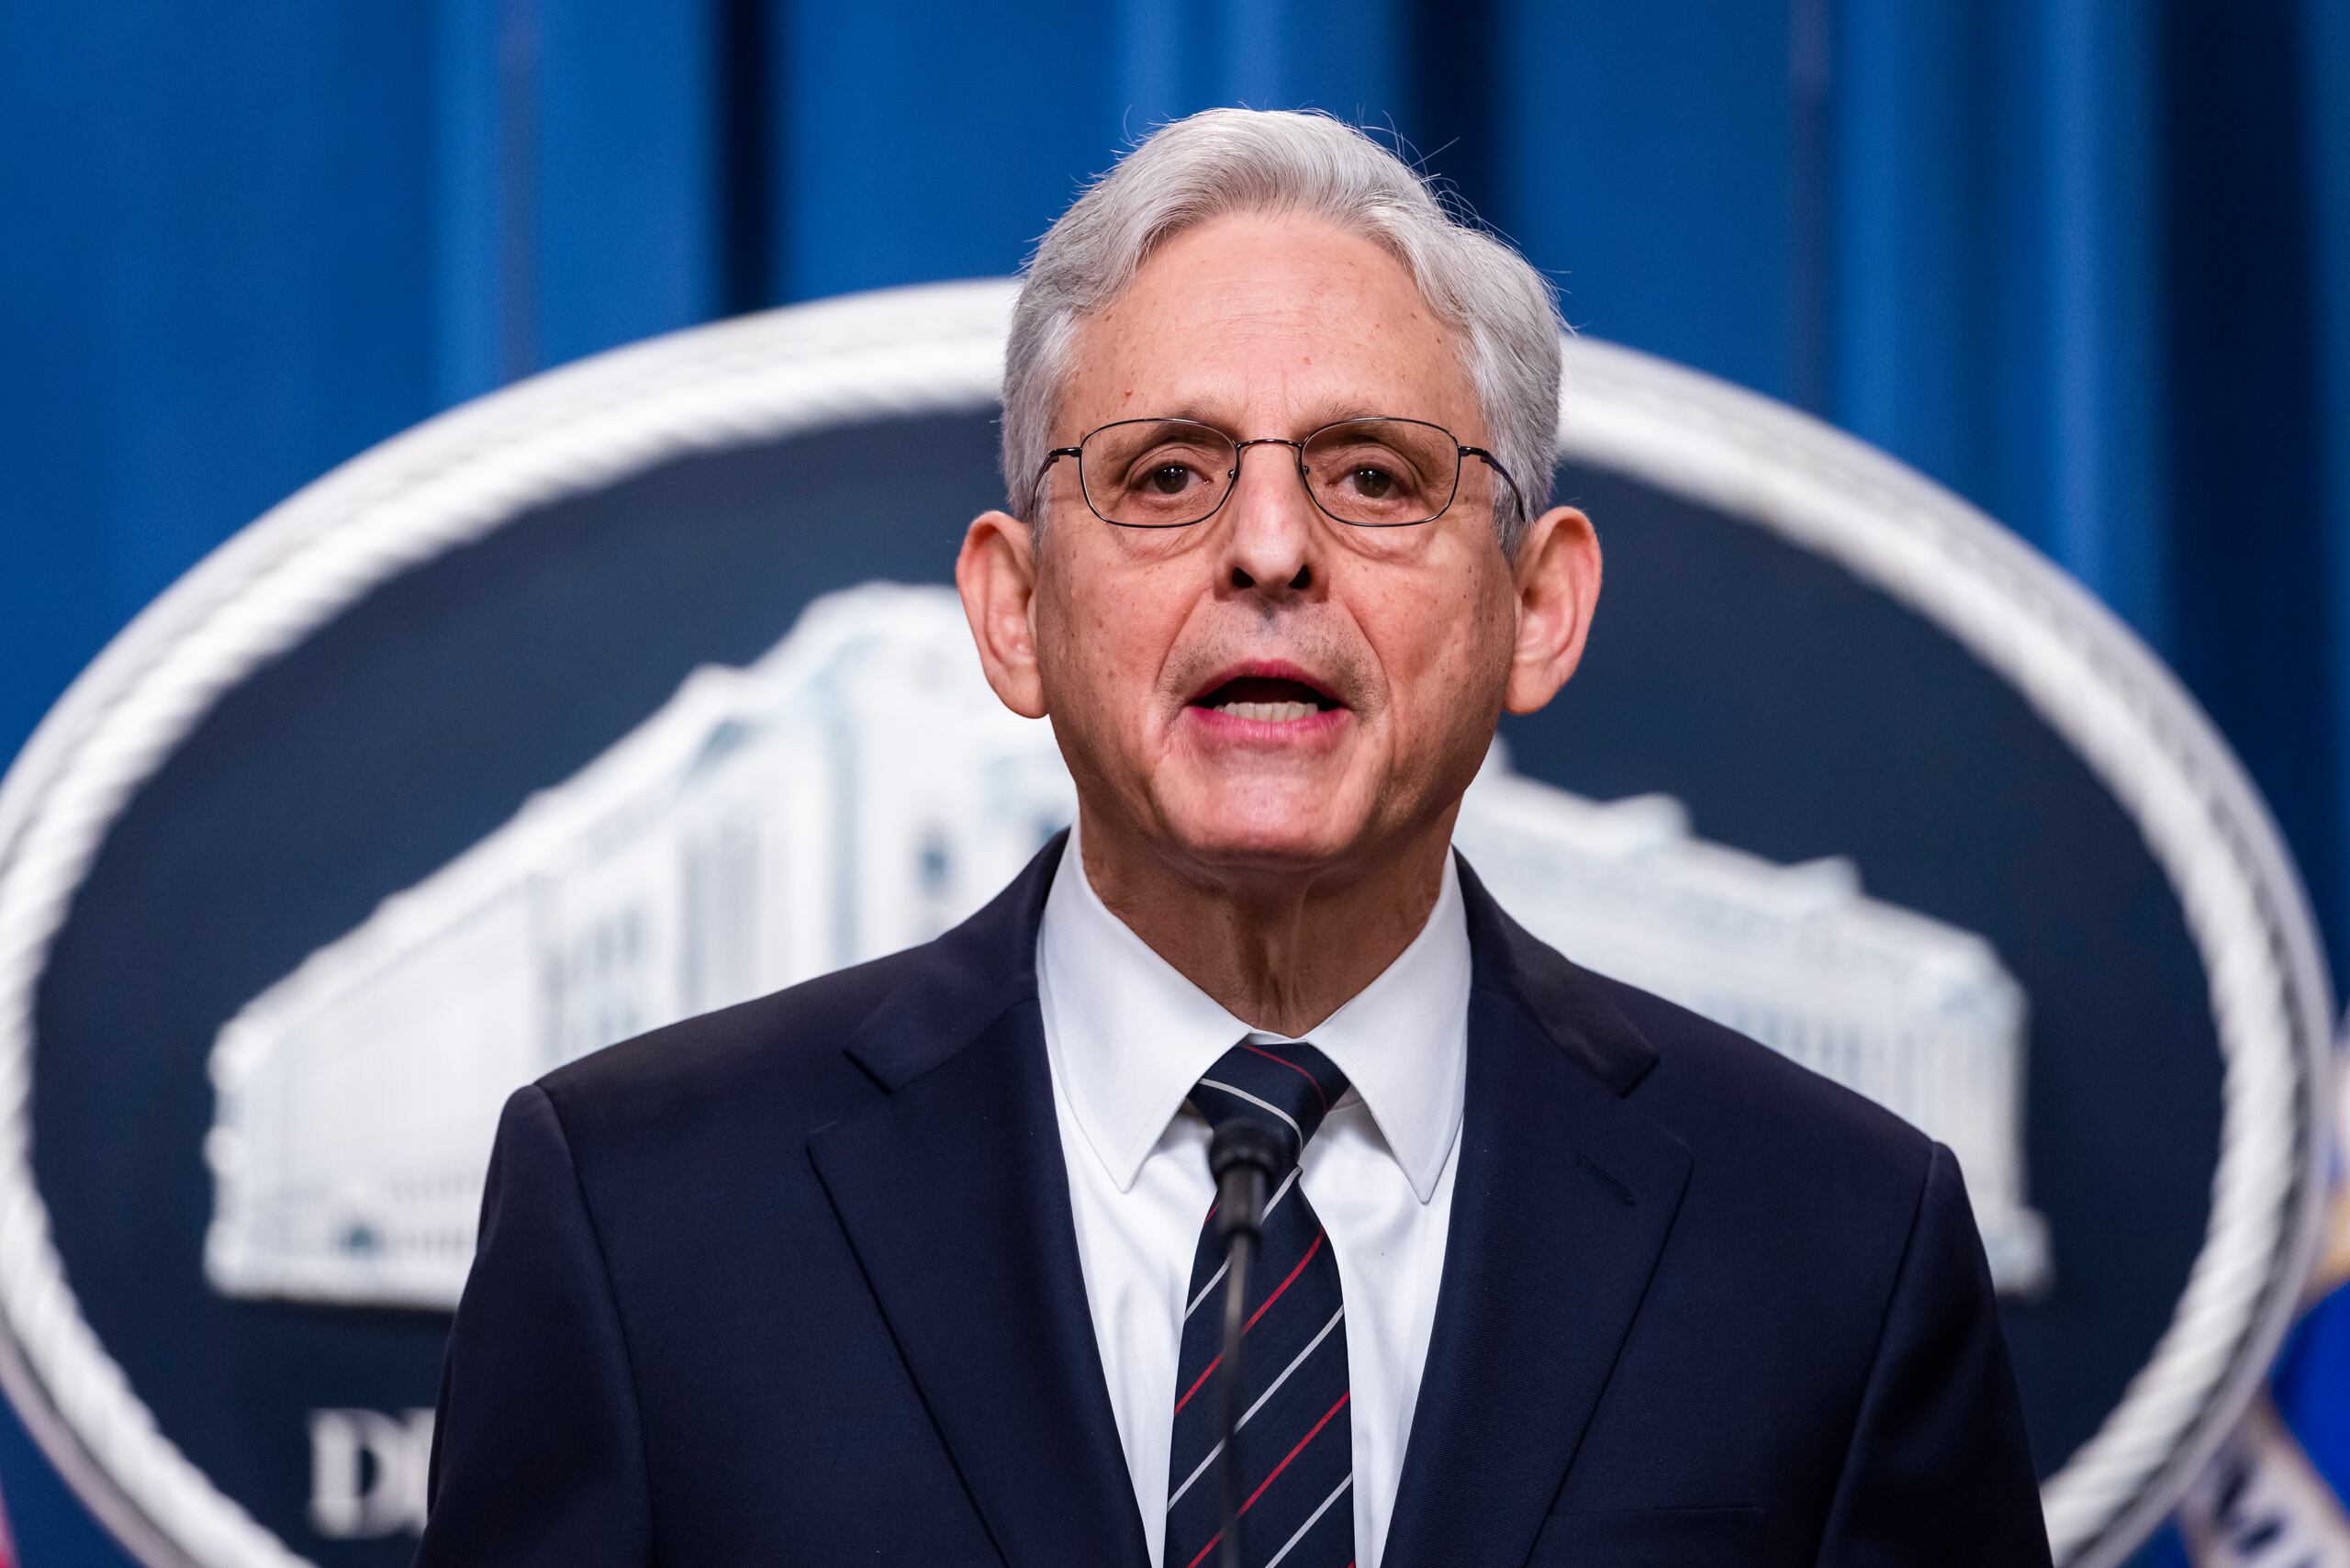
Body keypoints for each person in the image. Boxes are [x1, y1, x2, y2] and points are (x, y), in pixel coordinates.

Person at [415, 107, 2051, 1568]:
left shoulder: (1840, 1242)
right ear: (1016, 609)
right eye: (1168, 472)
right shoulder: (641, 1218)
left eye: (1374, 476)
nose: (1270, 548)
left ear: (1537, 609)